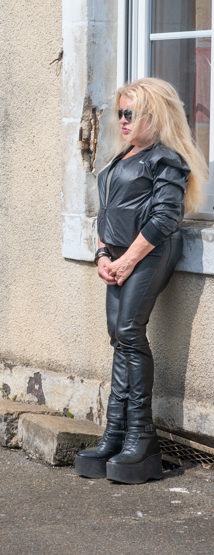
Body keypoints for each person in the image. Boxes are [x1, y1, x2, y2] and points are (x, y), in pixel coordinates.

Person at [74, 78, 207, 485]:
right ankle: (115, 434)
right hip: (116, 256)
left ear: (154, 115)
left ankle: (141, 438)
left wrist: (128, 260)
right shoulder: (121, 158)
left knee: (130, 331)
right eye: (120, 113)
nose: (122, 120)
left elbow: (166, 217)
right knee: (119, 335)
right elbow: (107, 212)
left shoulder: (165, 159)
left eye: (130, 113)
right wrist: (102, 254)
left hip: (149, 252)